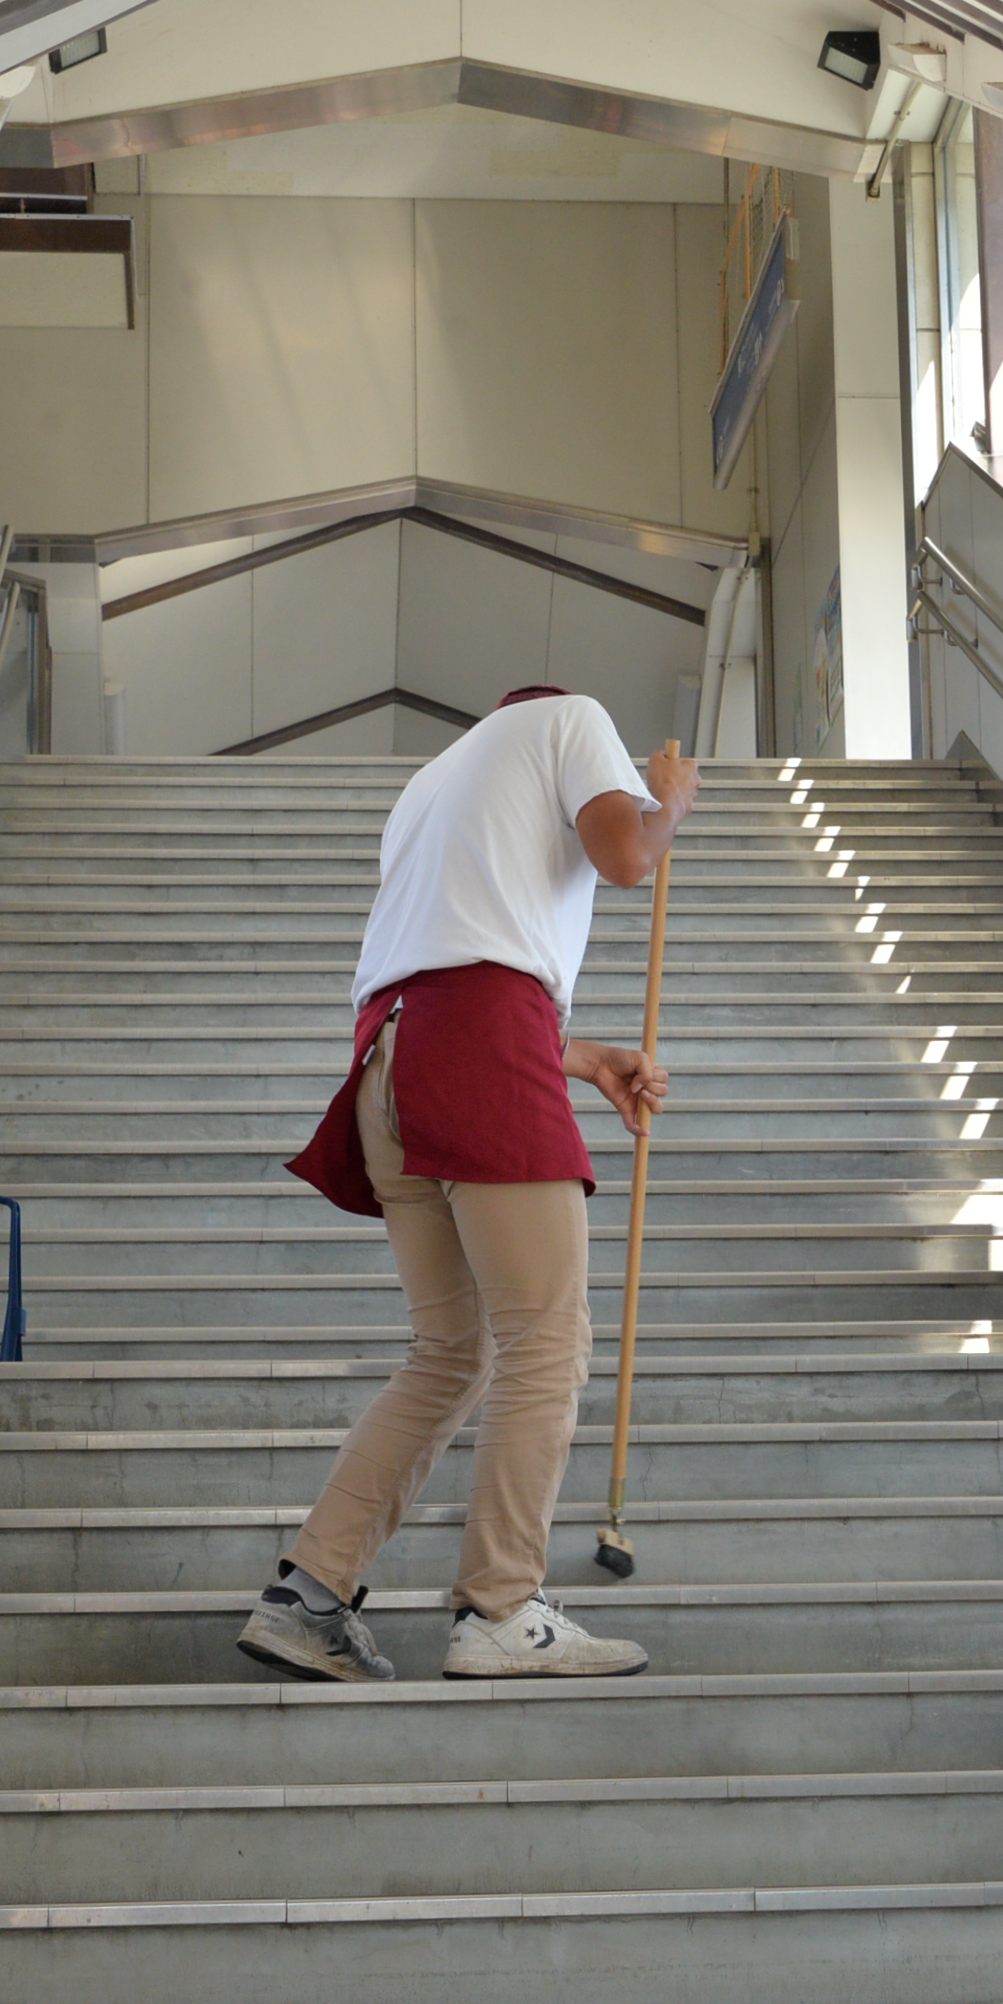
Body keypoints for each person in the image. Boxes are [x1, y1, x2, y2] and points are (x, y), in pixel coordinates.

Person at [239, 684, 697, 1681]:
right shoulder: (575, 717)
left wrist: (580, 1059)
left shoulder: (430, 783)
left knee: (451, 1351)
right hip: (479, 1047)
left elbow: (445, 965)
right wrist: (667, 800)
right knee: (546, 1337)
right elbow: (625, 857)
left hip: (387, 1066)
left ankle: (308, 1595)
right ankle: (499, 1605)